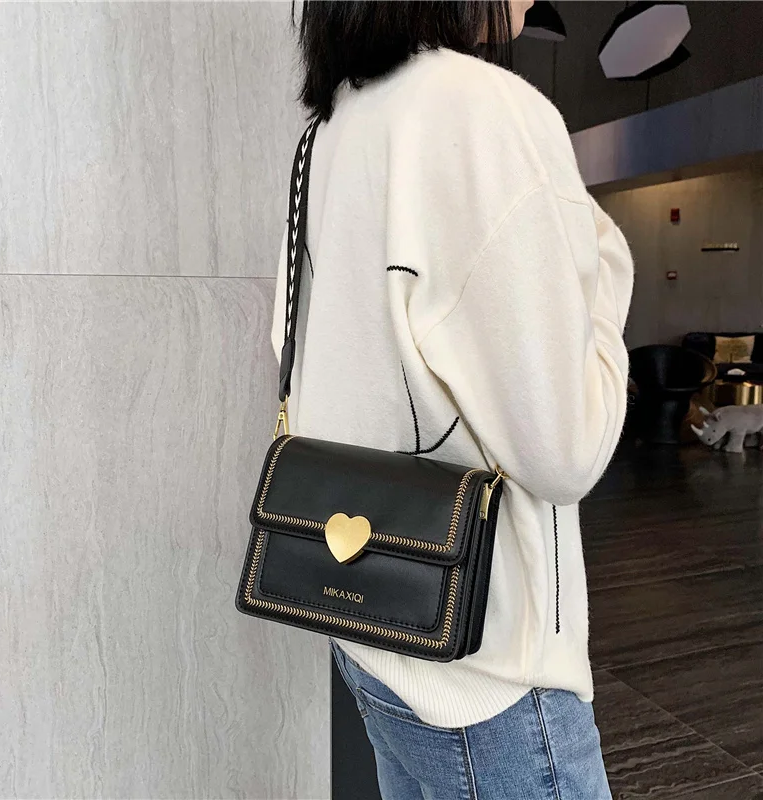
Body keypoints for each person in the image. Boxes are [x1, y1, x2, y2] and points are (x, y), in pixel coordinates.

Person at [272, 2, 634, 797]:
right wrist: (605, 269)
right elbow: (567, 451)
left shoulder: (326, 133)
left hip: (373, 631)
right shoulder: (482, 109)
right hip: (487, 671)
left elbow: (293, 348)